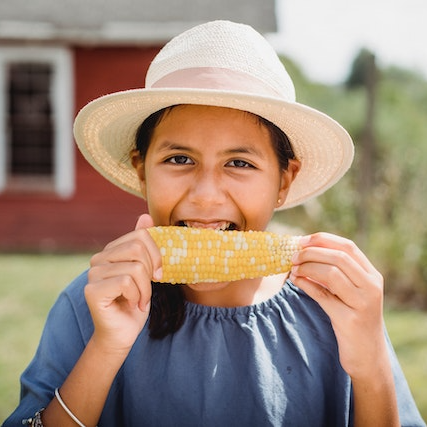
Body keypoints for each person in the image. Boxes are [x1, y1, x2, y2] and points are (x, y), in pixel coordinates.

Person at [3, 20, 425, 427]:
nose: (206, 195)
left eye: (239, 163)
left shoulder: (338, 309)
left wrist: (371, 366)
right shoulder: (94, 303)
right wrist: (106, 347)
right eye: (179, 159)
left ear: (284, 180)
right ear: (142, 171)